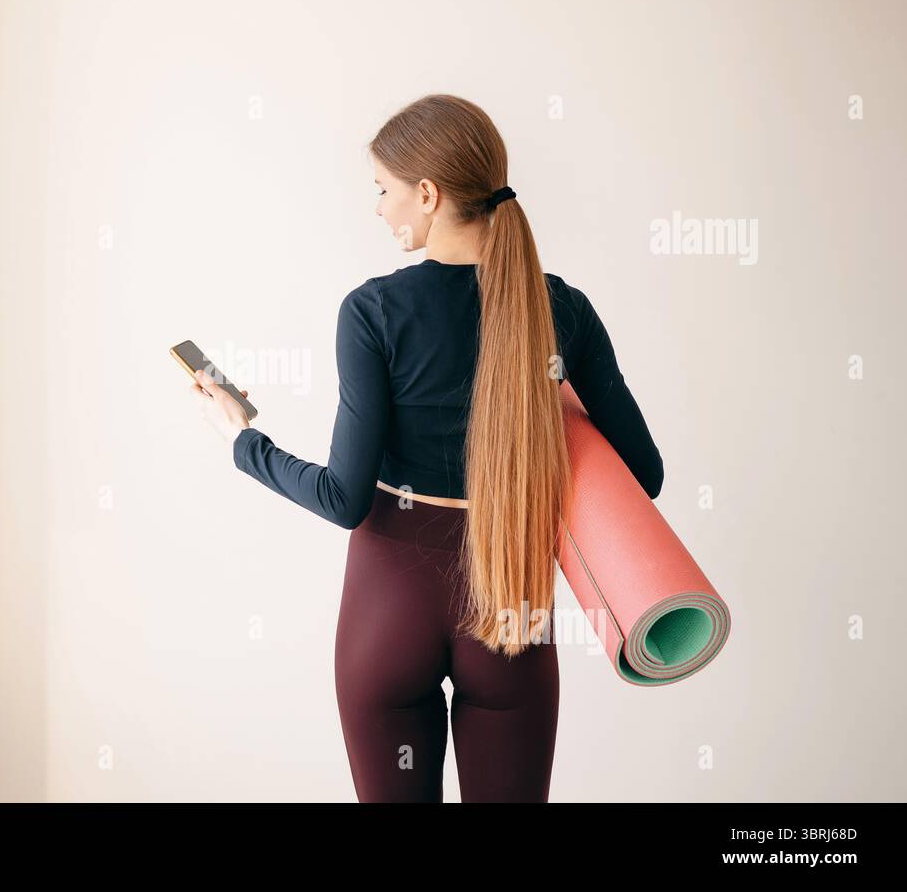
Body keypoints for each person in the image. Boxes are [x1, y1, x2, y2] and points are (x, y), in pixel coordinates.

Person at [189, 94, 663, 802]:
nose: (379, 208)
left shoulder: (374, 311)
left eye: (384, 190)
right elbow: (643, 476)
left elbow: (342, 499)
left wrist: (242, 438)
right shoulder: (561, 309)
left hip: (390, 610)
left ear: (428, 194)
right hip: (510, 608)